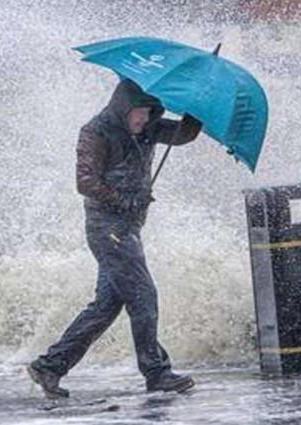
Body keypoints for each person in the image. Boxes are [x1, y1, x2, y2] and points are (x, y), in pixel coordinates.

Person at [27, 79, 202, 399]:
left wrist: (197, 109)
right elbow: (85, 182)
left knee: (106, 306)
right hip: (107, 228)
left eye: (150, 112)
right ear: (123, 107)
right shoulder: (96, 132)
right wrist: (123, 200)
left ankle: (50, 366)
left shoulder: (148, 127)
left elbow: (183, 135)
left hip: (129, 229)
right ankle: (157, 372)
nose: (144, 119)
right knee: (143, 295)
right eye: (139, 112)